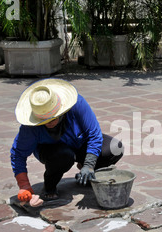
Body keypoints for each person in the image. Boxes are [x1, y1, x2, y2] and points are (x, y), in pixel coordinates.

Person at [11, 78, 124, 206]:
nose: (49, 123)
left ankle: (86, 174)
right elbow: (18, 154)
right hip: (54, 152)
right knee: (64, 155)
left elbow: (94, 134)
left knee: (115, 148)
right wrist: (24, 186)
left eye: (52, 119)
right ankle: (50, 185)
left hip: (79, 142)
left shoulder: (77, 104)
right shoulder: (30, 127)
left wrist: (89, 164)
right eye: (44, 121)